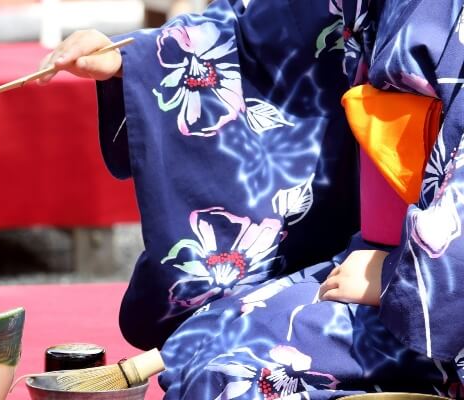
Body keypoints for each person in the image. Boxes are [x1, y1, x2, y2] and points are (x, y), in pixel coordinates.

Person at [39, 0, 464, 398]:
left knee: (235, 375)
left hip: (435, 298)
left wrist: (400, 277)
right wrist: (143, 59)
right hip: (372, 260)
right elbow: (273, 31)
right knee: (196, 346)